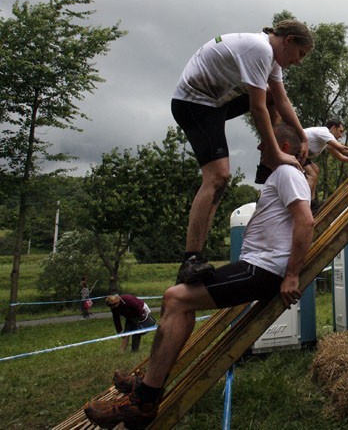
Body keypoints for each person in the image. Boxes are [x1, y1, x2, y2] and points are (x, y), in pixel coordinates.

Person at [84, 124, 314, 429]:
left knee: (177, 299)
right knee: (177, 296)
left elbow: (306, 221)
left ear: (282, 144)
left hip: (265, 270)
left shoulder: (288, 174)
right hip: (257, 266)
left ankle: (143, 403)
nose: (260, 148)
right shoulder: (282, 174)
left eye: (264, 142)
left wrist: (292, 276)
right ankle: (148, 385)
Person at [170, 20, 314, 285]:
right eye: (300, 54)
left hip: (216, 100)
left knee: (271, 95)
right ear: (288, 40)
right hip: (195, 104)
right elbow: (257, 107)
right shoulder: (260, 49)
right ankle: (191, 259)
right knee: (218, 177)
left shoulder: (271, 56)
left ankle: (270, 158)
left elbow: (280, 100)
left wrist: (302, 135)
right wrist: (278, 154)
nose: (299, 61)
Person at [303, 119, 348, 203]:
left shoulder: (325, 141)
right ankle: (304, 203)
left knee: (315, 169)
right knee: (312, 175)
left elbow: (342, 157)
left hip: (298, 152)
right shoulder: (324, 133)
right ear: (333, 128)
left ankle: (312, 202)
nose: (341, 135)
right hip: (293, 148)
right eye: (340, 131)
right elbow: (344, 150)